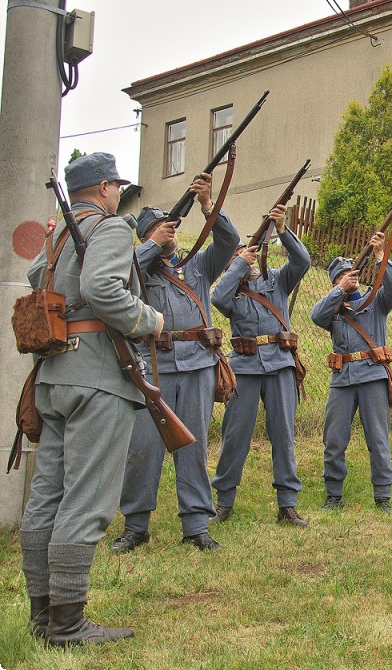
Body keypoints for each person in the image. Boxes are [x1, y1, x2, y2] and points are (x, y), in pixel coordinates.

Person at [19, 153, 164, 646]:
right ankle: (68, 623)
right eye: (115, 186)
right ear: (104, 188)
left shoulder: (57, 236)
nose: (118, 193)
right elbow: (102, 288)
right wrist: (148, 319)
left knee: (47, 498)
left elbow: (39, 280)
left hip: (54, 375)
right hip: (99, 375)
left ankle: (43, 614)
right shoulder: (113, 229)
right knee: (87, 498)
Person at [112, 174, 239, 554]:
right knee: (144, 448)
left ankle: (197, 524)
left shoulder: (196, 267)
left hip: (198, 365)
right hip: (154, 368)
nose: (172, 236)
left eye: (171, 231)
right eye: (162, 231)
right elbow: (124, 274)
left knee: (193, 447)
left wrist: (206, 204)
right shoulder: (139, 268)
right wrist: (153, 245)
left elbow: (229, 242)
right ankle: (136, 526)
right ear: (150, 236)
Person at [209, 204, 311, 527]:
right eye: (239, 255)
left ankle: (287, 504)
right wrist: (239, 266)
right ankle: (224, 501)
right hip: (245, 366)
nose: (247, 257)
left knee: (283, 434)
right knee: (235, 435)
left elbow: (303, 261)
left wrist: (282, 229)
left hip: (280, 364)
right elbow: (217, 298)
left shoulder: (278, 280)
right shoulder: (232, 290)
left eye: (248, 252)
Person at [310, 231, 392, 512]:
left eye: (352, 275)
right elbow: (316, 316)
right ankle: (334, 494)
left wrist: (379, 256)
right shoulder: (333, 309)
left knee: (378, 438)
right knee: (334, 439)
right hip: (342, 380)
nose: (350, 279)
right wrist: (339, 290)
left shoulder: (375, 301)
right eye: (343, 276)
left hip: (373, 376)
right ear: (335, 280)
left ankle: (383, 495)